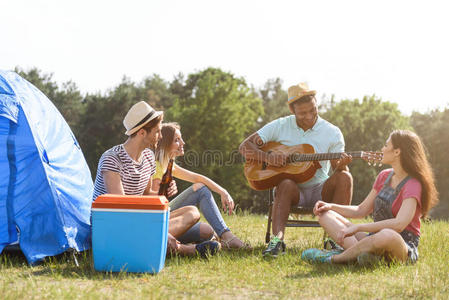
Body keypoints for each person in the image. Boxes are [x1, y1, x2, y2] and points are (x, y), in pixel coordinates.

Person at [92, 101, 220, 258]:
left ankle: (153, 241)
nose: (160, 136)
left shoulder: (148, 157)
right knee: (150, 228)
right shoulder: (112, 158)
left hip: (137, 222)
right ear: (142, 133)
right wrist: (160, 232)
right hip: (114, 226)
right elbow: (120, 209)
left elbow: (146, 195)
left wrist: (162, 193)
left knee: (192, 212)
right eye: (157, 132)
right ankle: (185, 250)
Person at [239, 83, 353, 257]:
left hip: (320, 191)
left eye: (312, 110)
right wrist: (268, 158)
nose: (308, 116)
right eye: (302, 113)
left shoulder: (332, 132)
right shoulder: (280, 125)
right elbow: (244, 147)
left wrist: (342, 164)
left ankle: (336, 240)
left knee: (345, 177)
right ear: (292, 110)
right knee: (285, 183)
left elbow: (339, 169)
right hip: (291, 192)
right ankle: (277, 242)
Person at [302, 130, 438, 264]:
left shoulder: (413, 184)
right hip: (373, 238)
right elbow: (361, 210)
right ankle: (366, 256)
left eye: (386, 145)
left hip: (400, 244)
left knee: (386, 235)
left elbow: (399, 224)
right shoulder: (384, 176)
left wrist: (359, 227)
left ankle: (334, 258)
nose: (382, 149)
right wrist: (331, 206)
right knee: (325, 215)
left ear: (397, 152)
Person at [153, 122, 250, 249]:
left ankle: (209, 239)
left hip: (167, 218)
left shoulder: (169, 165)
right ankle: (227, 237)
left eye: (181, 138)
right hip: (157, 222)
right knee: (200, 189)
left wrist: (223, 191)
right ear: (165, 144)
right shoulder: (157, 167)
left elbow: (198, 177)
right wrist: (164, 193)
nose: (183, 143)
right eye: (177, 140)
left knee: (207, 230)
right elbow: (153, 204)